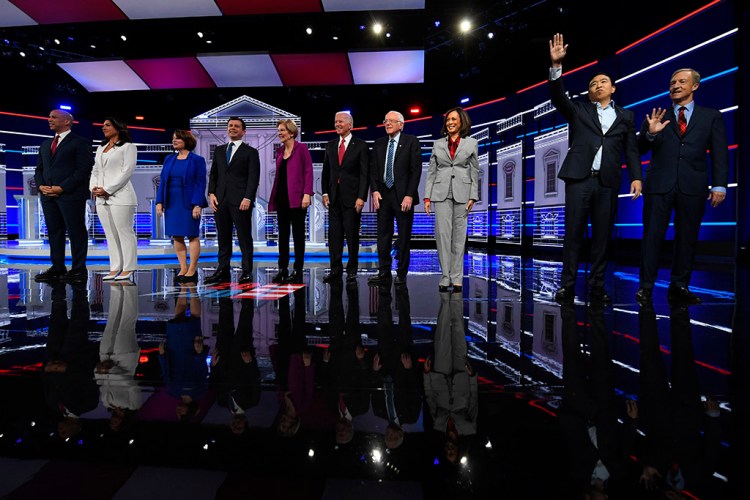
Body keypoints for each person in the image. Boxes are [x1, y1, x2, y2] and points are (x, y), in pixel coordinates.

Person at [548, 34, 642, 305]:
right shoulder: (579, 110)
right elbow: (557, 97)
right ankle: (567, 286)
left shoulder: (626, 116)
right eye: (593, 83)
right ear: (589, 92)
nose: (598, 85)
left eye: (603, 82)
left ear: (613, 89)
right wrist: (556, 67)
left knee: (602, 238)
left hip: (608, 182)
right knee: (573, 235)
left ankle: (597, 287)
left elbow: (632, 149)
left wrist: (636, 177)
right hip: (579, 180)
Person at [636, 68, 728, 305]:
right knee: (652, 237)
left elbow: (719, 154)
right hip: (659, 185)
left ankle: (680, 286)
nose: (675, 85)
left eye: (681, 82)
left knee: (687, 237)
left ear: (695, 86)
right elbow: (639, 149)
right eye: (672, 82)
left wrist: (720, 185)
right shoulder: (657, 116)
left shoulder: (712, 116)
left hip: (693, 185)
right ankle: (645, 287)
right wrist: (650, 134)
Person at [34, 109, 93, 284]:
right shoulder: (45, 144)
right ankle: (57, 267)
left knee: (76, 232)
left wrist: (62, 188)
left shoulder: (80, 143)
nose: (49, 119)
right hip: (48, 196)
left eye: (54, 117)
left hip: (71, 195)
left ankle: (78, 269)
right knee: (54, 232)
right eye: (49, 116)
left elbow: (83, 170)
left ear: (67, 121)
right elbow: (39, 169)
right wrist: (41, 186)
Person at [424, 107, 479, 293]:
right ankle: (445, 276)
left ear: (461, 122)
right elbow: (431, 172)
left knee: (459, 237)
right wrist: (427, 197)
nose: (450, 122)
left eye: (453, 119)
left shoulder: (471, 143)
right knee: (442, 235)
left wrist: (473, 195)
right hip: (441, 193)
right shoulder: (437, 144)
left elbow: (474, 171)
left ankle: (457, 277)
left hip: (463, 194)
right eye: (448, 120)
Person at [368, 111, 422, 287]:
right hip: (383, 195)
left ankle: (401, 273)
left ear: (401, 124)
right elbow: (374, 171)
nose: (388, 124)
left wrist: (409, 195)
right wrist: (375, 191)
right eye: (386, 121)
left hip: (403, 196)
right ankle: (384, 271)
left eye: (392, 121)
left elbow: (416, 171)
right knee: (383, 235)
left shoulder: (411, 142)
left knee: (404, 236)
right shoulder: (379, 144)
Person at [206, 117, 261, 285]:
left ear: (243, 131)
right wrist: (211, 193)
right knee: (223, 237)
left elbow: (253, 177)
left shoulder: (250, 152)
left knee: (244, 237)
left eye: (237, 126)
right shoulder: (220, 150)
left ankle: (246, 271)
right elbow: (214, 174)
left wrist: (248, 197)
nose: (233, 128)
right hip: (220, 200)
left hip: (241, 201)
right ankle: (223, 270)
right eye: (230, 126)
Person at [321, 111, 369, 285]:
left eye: (341, 121)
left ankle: (351, 270)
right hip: (333, 198)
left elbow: (365, 175)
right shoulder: (330, 145)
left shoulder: (361, 146)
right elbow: (326, 172)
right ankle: (335, 269)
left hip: (352, 199)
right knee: (334, 236)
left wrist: (361, 197)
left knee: (351, 235)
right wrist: (325, 193)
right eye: (335, 122)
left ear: (350, 125)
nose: (337, 124)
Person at [155, 130, 207, 284]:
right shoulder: (169, 159)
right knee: (176, 235)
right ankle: (183, 267)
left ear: (186, 140)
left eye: (177, 138)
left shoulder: (197, 160)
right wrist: (160, 202)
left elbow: (200, 182)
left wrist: (197, 203)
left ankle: (192, 269)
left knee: (192, 235)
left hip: (189, 202)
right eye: (173, 138)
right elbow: (163, 181)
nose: (174, 140)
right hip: (172, 201)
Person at [90, 117, 138, 282]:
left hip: (121, 196)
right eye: (103, 125)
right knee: (110, 234)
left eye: (108, 125)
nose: (103, 127)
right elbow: (95, 170)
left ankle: (129, 267)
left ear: (118, 127)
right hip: (101, 198)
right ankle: (115, 267)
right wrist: (94, 188)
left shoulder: (128, 147)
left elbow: (127, 172)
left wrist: (107, 189)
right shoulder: (100, 148)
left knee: (125, 233)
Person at [269, 119, 313, 284]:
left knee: (298, 235)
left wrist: (307, 193)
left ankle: (298, 269)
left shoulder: (301, 148)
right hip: (282, 198)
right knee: (283, 235)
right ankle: (282, 269)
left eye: (282, 130)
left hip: (297, 198)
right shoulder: (279, 151)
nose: (279, 133)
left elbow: (308, 171)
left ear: (292, 132)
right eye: (279, 130)